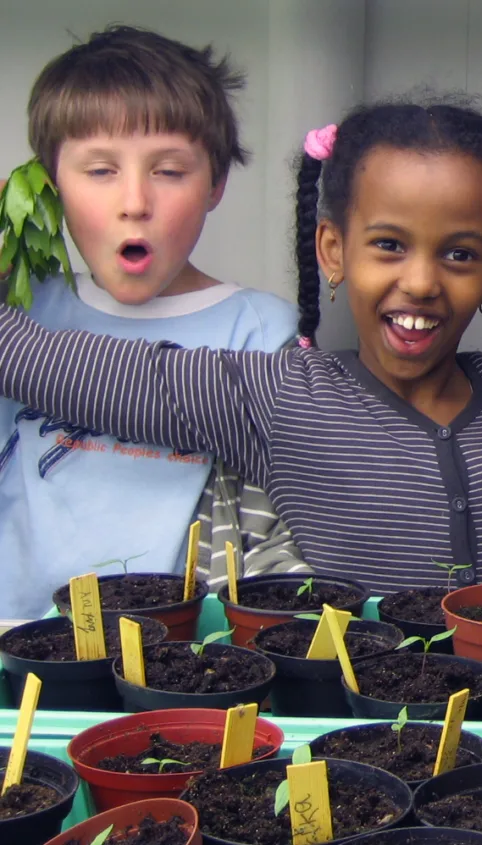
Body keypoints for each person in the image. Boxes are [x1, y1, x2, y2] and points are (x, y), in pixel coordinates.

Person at [0, 98, 482, 596]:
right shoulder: (283, 395)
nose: (420, 282)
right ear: (334, 251)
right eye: (389, 245)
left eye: (460, 254)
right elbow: (46, 365)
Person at [0, 25, 298, 619]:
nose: (135, 202)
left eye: (168, 171)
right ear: (50, 186)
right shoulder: (22, 306)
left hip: (173, 646)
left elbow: (277, 528)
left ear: (215, 184)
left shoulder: (261, 331)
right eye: (99, 170)